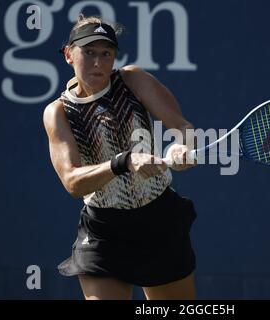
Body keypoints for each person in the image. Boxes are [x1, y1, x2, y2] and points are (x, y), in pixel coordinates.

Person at [43, 14, 197, 300]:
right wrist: (123, 162)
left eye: (106, 54)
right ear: (68, 54)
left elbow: (184, 128)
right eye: (88, 53)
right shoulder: (58, 112)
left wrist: (181, 147)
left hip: (159, 223)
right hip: (105, 233)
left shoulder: (133, 79)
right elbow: (72, 181)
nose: (98, 63)